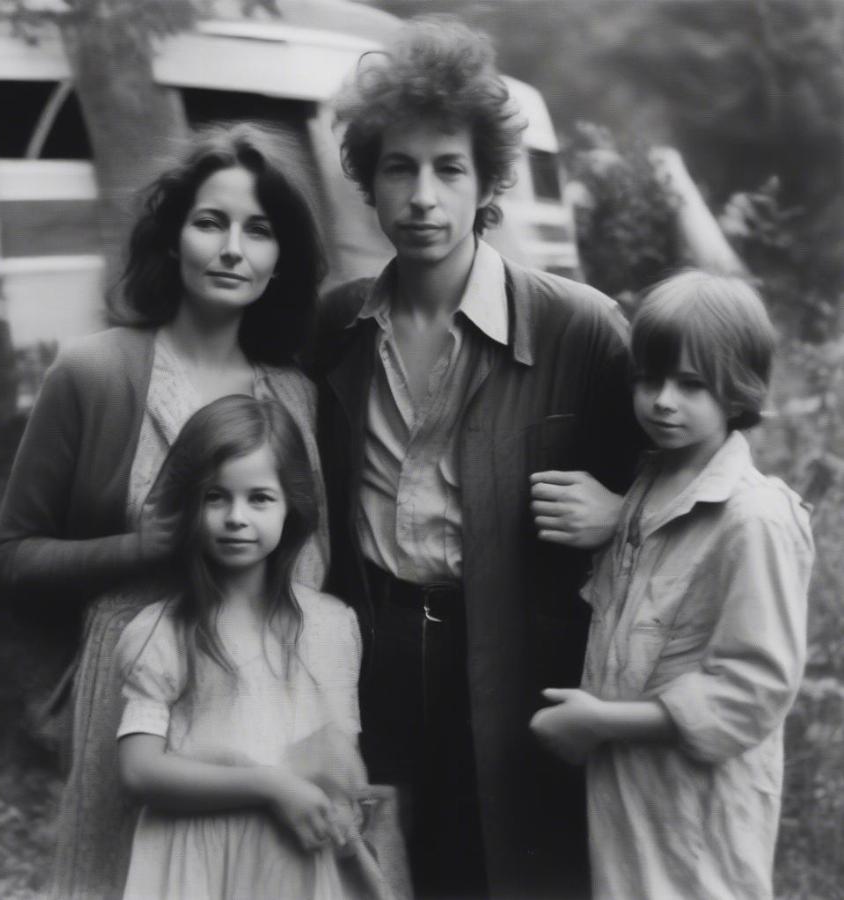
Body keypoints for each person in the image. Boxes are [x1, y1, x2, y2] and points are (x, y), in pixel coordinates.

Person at [313, 18, 641, 899]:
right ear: (369, 182)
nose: (423, 195)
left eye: (448, 168)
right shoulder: (335, 326)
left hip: (510, 651)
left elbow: (698, 474)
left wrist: (623, 512)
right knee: (376, 867)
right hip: (371, 640)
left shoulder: (582, 327)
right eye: (399, 167)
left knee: (495, 868)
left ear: (488, 180)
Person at [0, 121, 328, 897]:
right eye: (210, 221)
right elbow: (11, 558)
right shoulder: (94, 371)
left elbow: (314, 571)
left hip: (262, 711)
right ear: (173, 235)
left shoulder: (298, 397)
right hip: (127, 707)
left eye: (260, 230)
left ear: (283, 259)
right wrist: (142, 547)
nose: (232, 247)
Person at [530, 271, 814, 899]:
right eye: (648, 379)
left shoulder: (754, 517)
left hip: (698, 820)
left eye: (690, 385)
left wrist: (602, 722)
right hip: (632, 808)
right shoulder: (645, 488)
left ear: (738, 391)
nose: (662, 401)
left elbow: (753, 690)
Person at [115, 395, 400, 900]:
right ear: (189, 506)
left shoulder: (332, 627)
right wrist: (270, 786)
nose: (236, 517)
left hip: (295, 865)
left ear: (291, 506)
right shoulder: (161, 631)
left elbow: (339, 760)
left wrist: (341, 808)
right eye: (215, 497)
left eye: (259, 498)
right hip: (198, 867)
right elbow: (139, 770)